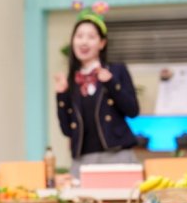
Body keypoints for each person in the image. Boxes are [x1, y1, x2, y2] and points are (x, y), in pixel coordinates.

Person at [55, 12, 140, 160]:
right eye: (79, 36)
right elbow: (67, 130)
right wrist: (61, 95)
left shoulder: (116, 70)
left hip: (118, 154)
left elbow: (133, 111)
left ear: (102, 43)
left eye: (91, 37)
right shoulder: (71, 80)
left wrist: (111, 82)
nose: (84, 42)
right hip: (83, 158)